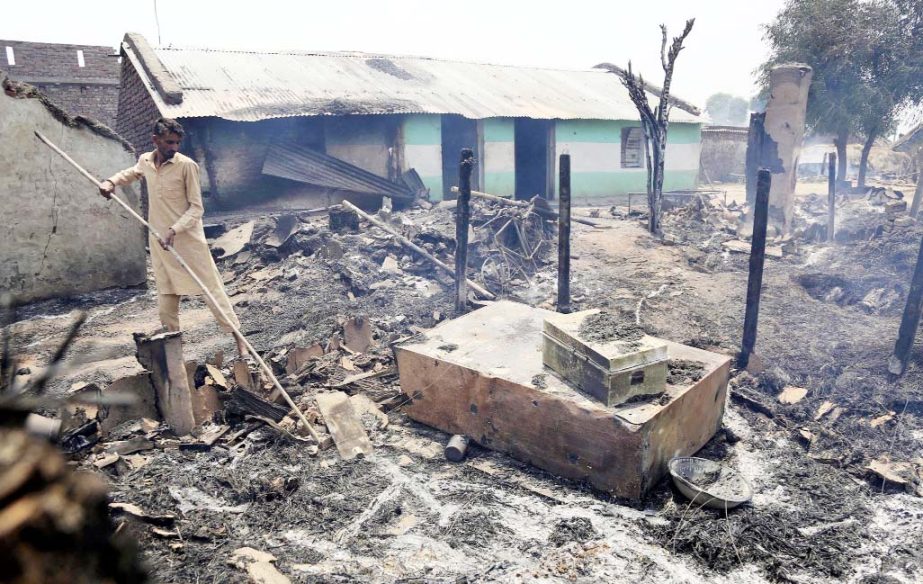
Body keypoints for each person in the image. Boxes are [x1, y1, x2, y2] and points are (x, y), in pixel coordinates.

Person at [99, 118, 247, 357]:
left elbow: (197, 208)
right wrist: (110, 182)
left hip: (187, 240)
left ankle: (239, 341)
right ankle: (173, 347)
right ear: (155, 140)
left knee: (211, 289)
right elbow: (131, 174)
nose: (174, 147)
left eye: (178, 142)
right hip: (159, 240)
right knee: (166, 293)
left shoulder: (186, 166)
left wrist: (174, 230)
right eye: (169, 142)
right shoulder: (145, 161)